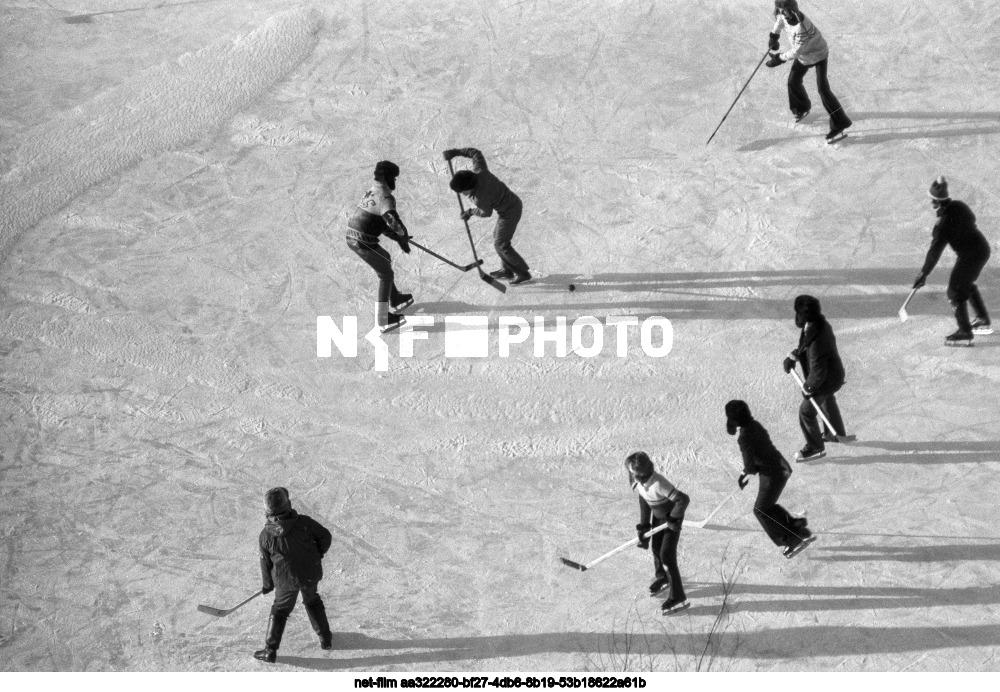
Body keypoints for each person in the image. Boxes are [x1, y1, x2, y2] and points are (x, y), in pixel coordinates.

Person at [725, 400, 815, 558]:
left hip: (772, 473)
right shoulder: (755, 425)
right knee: (767, 506)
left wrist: (743, 474)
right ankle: (795, 526)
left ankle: (790, 539)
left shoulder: (744, 437)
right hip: (780, 466)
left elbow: (750, 466)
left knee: (760, 510)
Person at [254, 487, 334, 663]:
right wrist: (317, 554)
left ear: (267, 512)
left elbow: (265, 563)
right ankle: (326, 639)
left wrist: (267, 584)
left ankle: (270, 650)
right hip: (309, 574)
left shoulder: (265, 536)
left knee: (280, 610)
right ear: (288, 505)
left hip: (285, 581)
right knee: (312, 600)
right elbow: (325, 537)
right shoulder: (305, 523)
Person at [912, 176, 992, 344]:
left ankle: (965, 331)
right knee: (965, 283)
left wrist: (923, 274)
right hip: (982, 249)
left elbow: (934, 253)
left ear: (937, 202)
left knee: (954, 292)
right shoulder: (959, 206)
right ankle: (982, 319)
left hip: (970, 256)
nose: (930, 204)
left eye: (932, 200)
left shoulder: (942, 226)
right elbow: (972, 218)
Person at [766, 0, 853, 143]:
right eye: (779, 9)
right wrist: (773, 36)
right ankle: (801, 107)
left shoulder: (802, 27)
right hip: (805, 56)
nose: (782, 12)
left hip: (818, 54)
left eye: (785, 9)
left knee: (823, 90)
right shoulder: (784, 15)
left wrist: (778, 59)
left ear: (792, 9)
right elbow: (779, 22)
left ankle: (840, 122)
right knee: (793, 80)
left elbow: (796, 51)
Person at [443, 147, 531, 284]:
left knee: (500, 244)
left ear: (468, 188)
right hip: (510, 205)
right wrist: (455, 152)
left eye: (462, 192)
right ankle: (507, 270)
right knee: (498, 238)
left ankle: (522, 273)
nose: (462, 195)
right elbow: (475, 153)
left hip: (510, 212)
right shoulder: (480, 172)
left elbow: (486, 213)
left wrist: (470, 212)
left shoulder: (480, 197)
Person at [346, 160, 414, 334]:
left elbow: (382, 224)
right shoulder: (385, 197)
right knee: (386, 274)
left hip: (355, 237)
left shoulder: (372, 191)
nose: (395, 182)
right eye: (394, 178)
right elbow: (393, 222)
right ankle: (383, 319)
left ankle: (395, 297)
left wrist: (399, 239)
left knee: (385, 258)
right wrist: (403, 237)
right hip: (363, 241)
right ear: (389, 178)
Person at [782, 295, 849, 461]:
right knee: (827, 400)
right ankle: (835, 433)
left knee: (806, 411)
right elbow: (806, 345)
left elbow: (818, 372)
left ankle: (815, 447)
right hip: (832, 376)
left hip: (826, 379)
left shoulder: (817, 341)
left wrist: (808, 388)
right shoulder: (817, 325)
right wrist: (793, 356)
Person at [625, 451, 690, 615]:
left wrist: (674, 519)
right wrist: (645, 526)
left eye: (631, 471)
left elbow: (683, 499)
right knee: (655, 549)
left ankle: (678, 596)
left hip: (671, 520)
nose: (629, 474)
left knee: (667, 555)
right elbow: (645, 502)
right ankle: (662, 576)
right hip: (659, 518)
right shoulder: (639, 483)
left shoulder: (658, 483)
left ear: (640, 473)